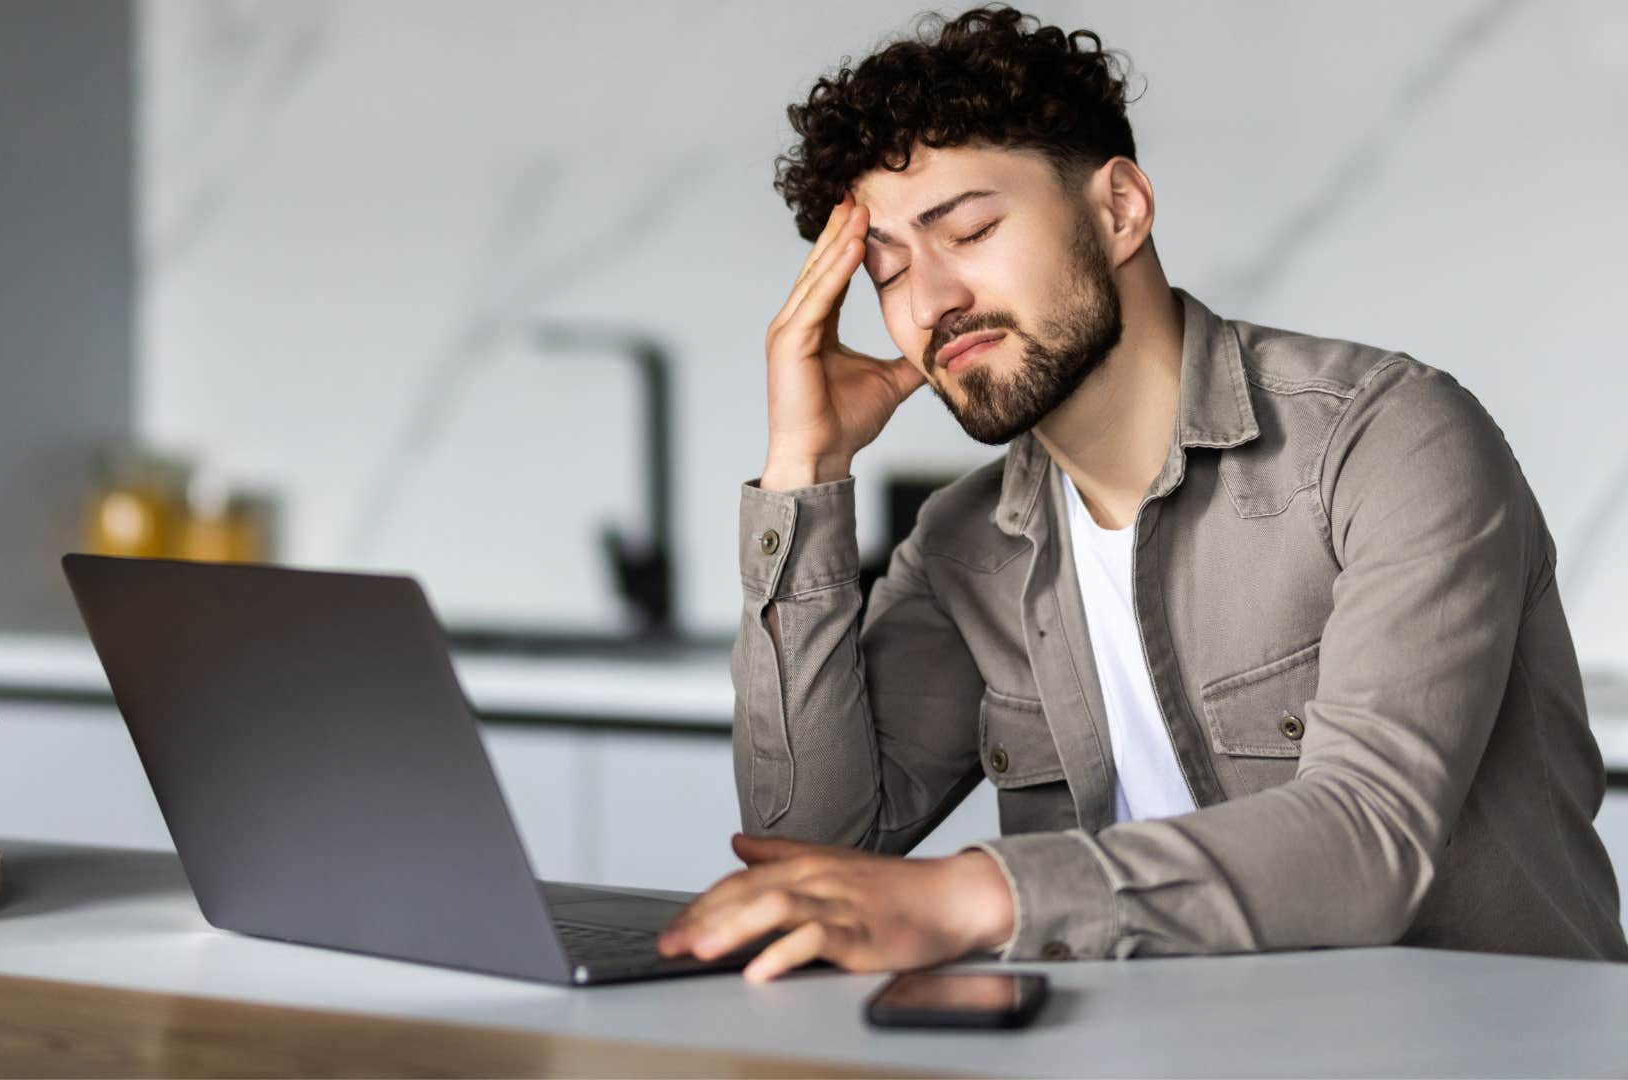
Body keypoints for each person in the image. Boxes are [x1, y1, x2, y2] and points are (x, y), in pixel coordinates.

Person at [654, 3, 1628, 981]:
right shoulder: (965, 547)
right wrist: (804, 468)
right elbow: (812, 843)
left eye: (973, 229)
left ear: (1120, 210)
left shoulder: (1387, 437)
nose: (930, 300)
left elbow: (1372, 838)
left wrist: (977, 893)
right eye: (887, 269)